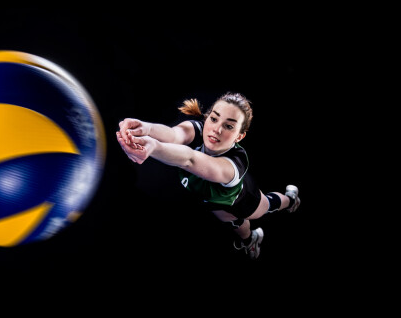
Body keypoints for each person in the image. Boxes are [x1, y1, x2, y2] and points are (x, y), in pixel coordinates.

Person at [116, 92, 301, 259]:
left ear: (239, 136)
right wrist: (146, 128)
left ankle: (291, 200)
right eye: (214, 119)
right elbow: (174, 135)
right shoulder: (199, 130)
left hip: (245, 200)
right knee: (236, 223)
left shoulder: (234, 163)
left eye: (229, 126)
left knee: (266, 205)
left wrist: (154, 147)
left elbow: (190, 159)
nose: (217, 130)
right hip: (214, 202)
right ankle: (250, 239)